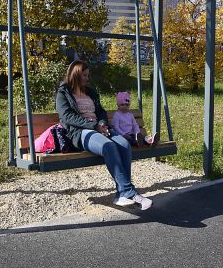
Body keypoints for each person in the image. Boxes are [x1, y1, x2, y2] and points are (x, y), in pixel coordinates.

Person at [55, 61, 153, 210]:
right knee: (108, 146)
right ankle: (128, 191)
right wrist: (94, 126)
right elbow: (67, 116)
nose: (88, 78)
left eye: (88, 75)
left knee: (124, 144)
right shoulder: (63, 93)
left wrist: (101, 123)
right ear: (75, 75)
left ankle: (121, 194)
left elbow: (100, 111)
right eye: (84, 75)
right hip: (80, 132)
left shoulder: (90, 92)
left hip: (99, 128)